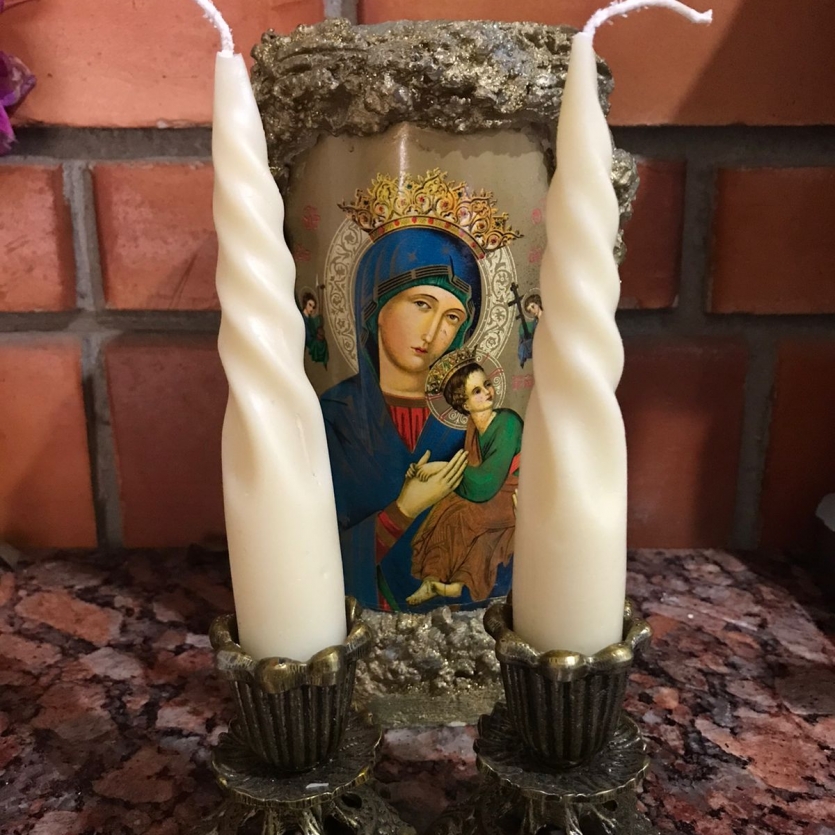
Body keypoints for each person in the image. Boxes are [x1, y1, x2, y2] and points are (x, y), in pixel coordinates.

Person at [320, 225, 499, 612]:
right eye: (421, 304)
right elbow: (308, 556)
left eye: (452, 317)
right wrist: (402, 511)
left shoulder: (472, 421)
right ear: (376, 306)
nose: (434, 331)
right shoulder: (332, 416)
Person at [407, 357, 522, 606]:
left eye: (487, 384)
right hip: (491, 495)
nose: (487, 392)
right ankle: (433, 579)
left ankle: (455, 584)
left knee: (463, 515)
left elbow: (486, 483)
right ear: (464, 404)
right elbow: (470, 468)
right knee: (444, 508)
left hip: (512, 496)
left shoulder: (508, 423)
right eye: (477, 391)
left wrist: (440, 468)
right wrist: (427, 473)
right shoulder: (473, 426)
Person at [300, 291, 329, 368]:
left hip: (312, 338)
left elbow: (313, 328)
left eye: (313, 307)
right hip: (308, 340)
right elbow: (307, 334)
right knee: (318, 343)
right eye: (310, 305)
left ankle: (324, 363)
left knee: (323, 342)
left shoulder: (310, 319)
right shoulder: (301, 318)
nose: (311, 309)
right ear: (305, 304)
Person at [517, 293, 542, 368]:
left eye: (533, 306)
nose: (532, 311)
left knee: (524, 345)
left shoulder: (546, 317)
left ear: (538, 303)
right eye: (530, 310)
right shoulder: (535, 322)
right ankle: (522, 358)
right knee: (523, 340)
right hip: (537, 343)